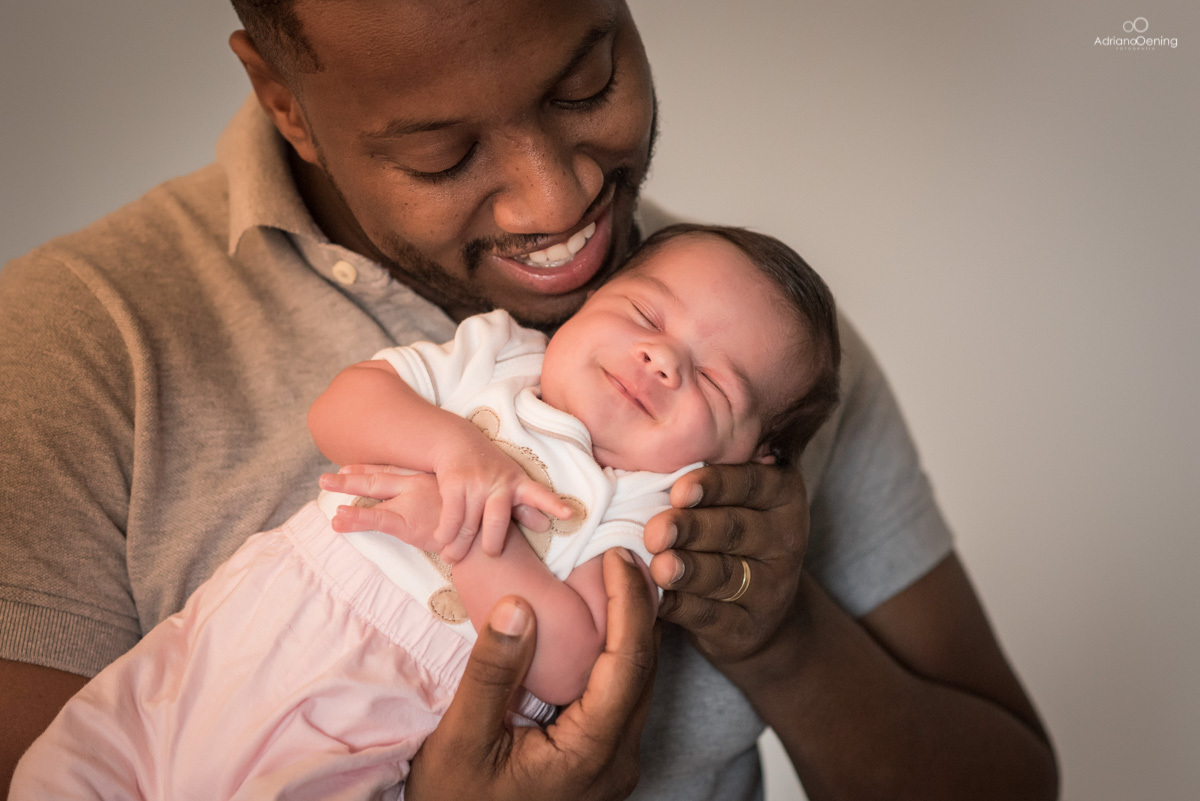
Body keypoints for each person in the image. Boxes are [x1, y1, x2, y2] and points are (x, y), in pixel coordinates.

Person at [0, 1, 1059, 799]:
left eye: (586, 83)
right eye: (442, 152)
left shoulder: (769, 349)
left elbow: (1005, 783)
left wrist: (778, 636)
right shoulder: (78, 343)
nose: (560, 203)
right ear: (286, 102)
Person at [11, 225, 842, 798]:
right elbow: (342, 407)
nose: (661, 357)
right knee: (71, 769)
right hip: (236, 635)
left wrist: (465, 535)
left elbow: (567, 662)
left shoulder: (650, 509)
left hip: (370, 711)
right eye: (645, 314)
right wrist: (448, 447)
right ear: (588, 302)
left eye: (716, 381)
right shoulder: (495, 353)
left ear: (749, 460)